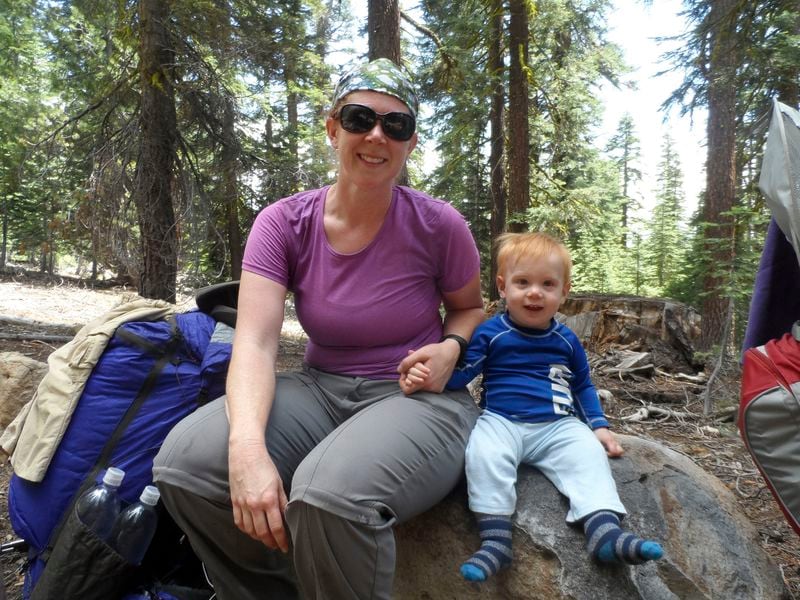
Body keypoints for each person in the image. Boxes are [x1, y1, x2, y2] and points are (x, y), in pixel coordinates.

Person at [151, 58, 484, 600]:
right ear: (333, 128)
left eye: (395, 125)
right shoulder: (283, 222)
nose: (377, 135)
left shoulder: (438, 223)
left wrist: (452, 346)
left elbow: (470, 309)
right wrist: (247, 450)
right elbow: (255, 341)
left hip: (419, 397)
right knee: (186, 464)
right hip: (320, 388)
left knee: (329, 497)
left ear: (410, 143)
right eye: (360, 118)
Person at [401, 232, 663, 583]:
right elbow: (464, 374)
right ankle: (496, 540)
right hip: (501, 420)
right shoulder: (491, 333)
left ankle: (604, 532)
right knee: (483, 454)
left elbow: (582, 384)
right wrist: (428, 376)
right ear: (503, 287)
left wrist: (598, 427)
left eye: (547, 284)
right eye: (522, 282)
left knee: (587, 455)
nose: (534, 292)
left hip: (557, 424)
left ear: (564, 292)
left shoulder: (566, 340)